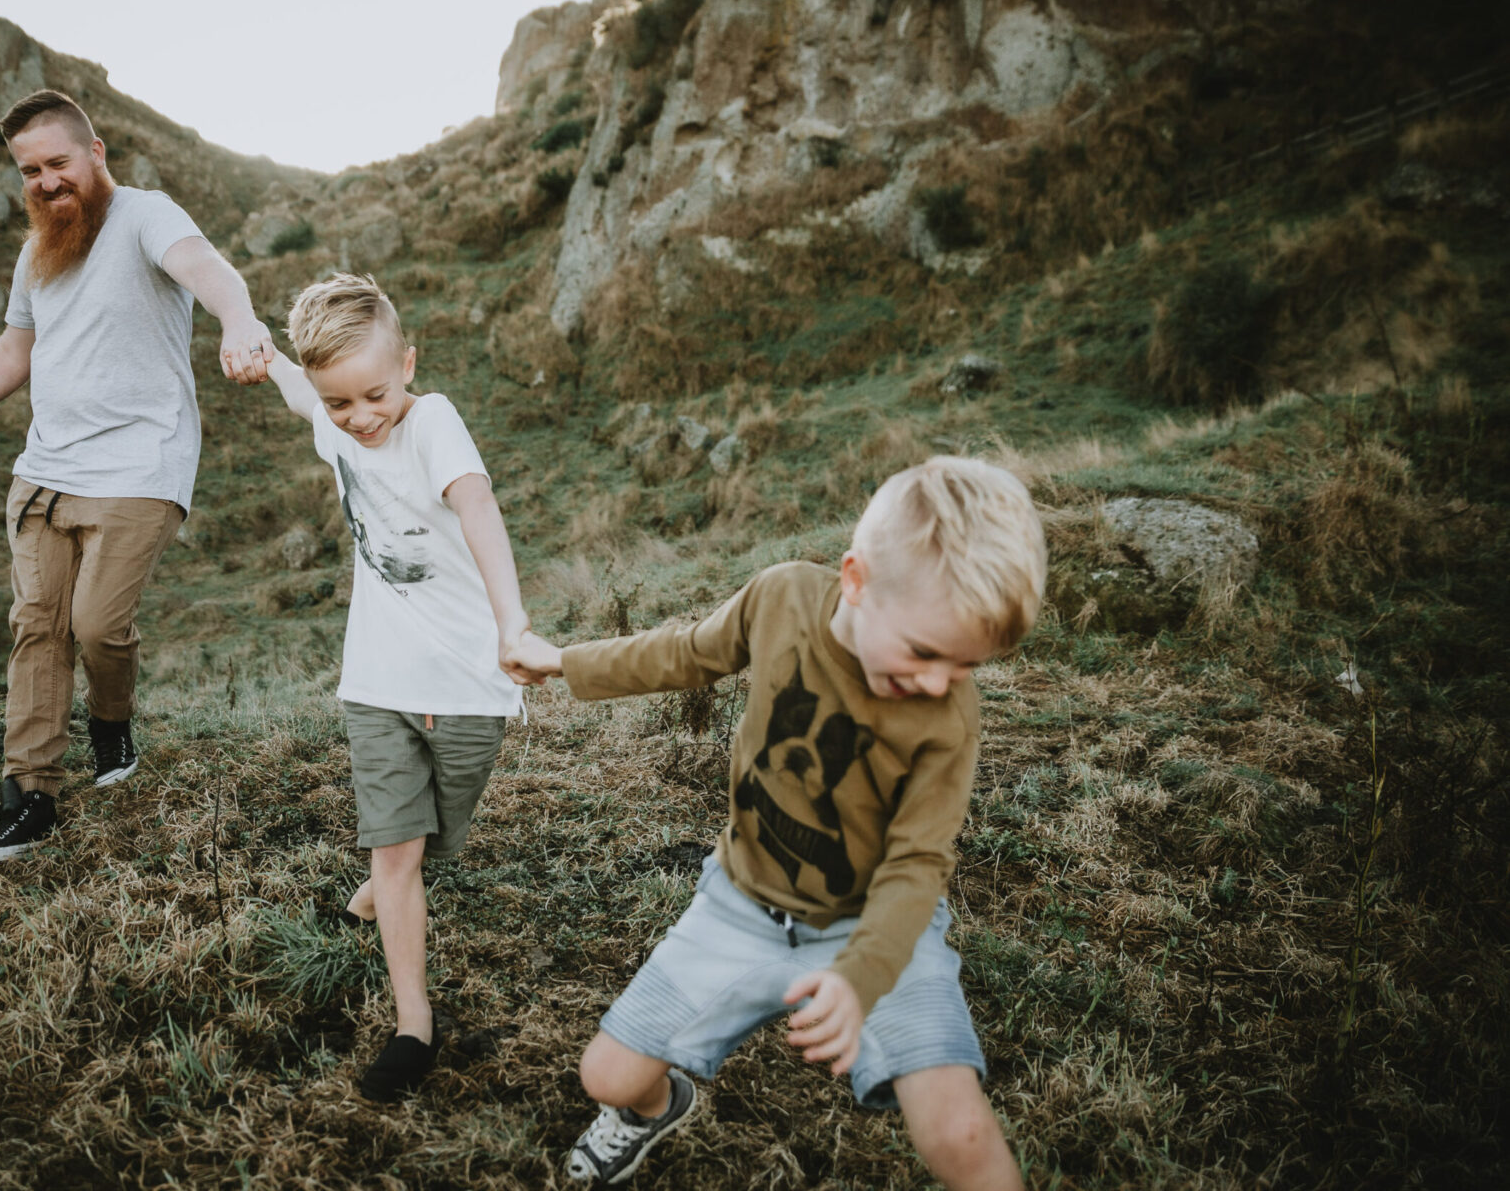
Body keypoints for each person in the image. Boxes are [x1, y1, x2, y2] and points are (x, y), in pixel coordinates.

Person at [507, 456, 1046, 1190]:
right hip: (743, 905)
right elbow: (688, 651)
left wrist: (859, 979)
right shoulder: (782, 597)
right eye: (924, 653)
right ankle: (654, 1110)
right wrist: (566, 662)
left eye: (963, 666)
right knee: (607, 1076)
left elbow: (919, 864)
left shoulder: (947, 719)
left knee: (960, 1131)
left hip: (877, 926)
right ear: (855, 580)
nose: (935, 682)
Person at [0, 89, 278, 870]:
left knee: (98, 626)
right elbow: (13, 351)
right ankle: (29, 796)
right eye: (29, 170)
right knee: (37, 627)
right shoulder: (37, 252)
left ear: (95, 155)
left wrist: (240, 321)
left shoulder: (145, 214)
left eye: (57, 163)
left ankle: (110, 719)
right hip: (45, 473)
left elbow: (207, 267)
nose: (45, 181)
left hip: (140, 462)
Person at [261, 272, 533, 1101]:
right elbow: (293, 391)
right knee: (400, 847)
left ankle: (374, 893)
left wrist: (512, 625)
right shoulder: (332, 419)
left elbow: (479, 509)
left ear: (407, 366)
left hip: (469, 683)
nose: (361, 418)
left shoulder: (433, 420)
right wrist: (254, 345)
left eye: (374, 395)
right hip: (377, 678)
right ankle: (414, 1023)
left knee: (437, 834)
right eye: (340, 405)